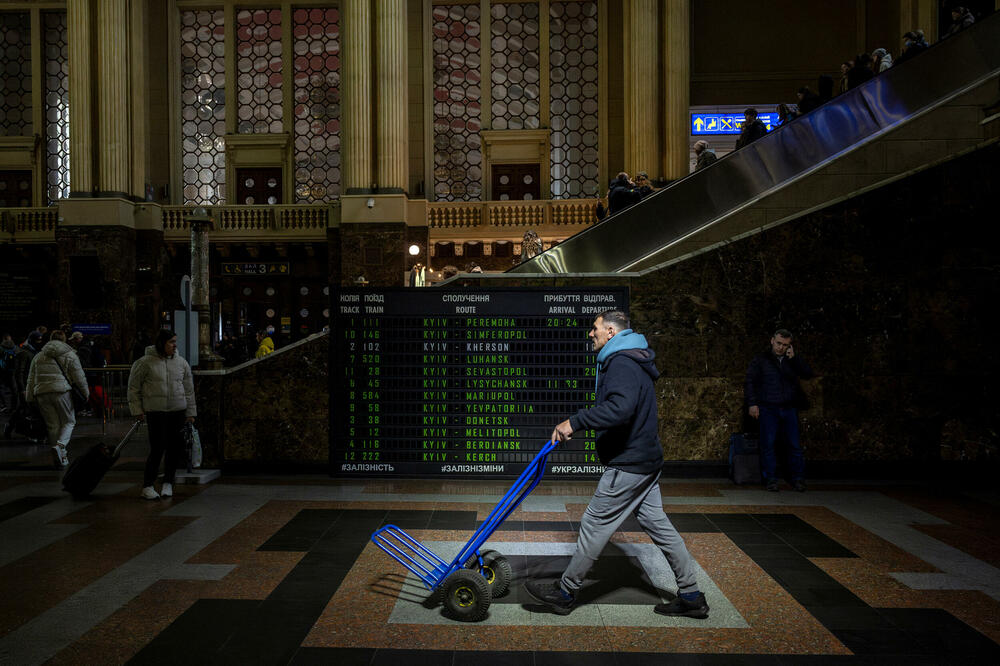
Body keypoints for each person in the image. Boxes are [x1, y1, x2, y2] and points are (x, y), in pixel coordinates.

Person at [524, 311, 709, 619]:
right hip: (646, 461)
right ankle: (691, 596)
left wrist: (576, 421)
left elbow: (620, 409)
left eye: (594, 328)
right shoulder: (633, 358)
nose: (590, 334)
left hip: (629, 464)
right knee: (660, 527)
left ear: (610, 331)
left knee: (593, 526)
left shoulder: (622, 362)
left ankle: (565, 592)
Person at [127, 329, 196, 500]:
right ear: (161, 343)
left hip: (177, 410)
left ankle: (168, 482)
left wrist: (190, 412)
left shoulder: (181, 363)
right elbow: (133, 388)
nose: (175, 345)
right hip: (156, 411)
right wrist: (137, 410)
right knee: (157, 448)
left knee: (174, 448)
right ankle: (148, 485)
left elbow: (189, 390)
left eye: (175, 341)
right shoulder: (144, 363)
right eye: (171, 342)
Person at [745, 329, 814, 492]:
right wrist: (752, 404)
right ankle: (771, 479)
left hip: (789, 407)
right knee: (768, 444)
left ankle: (798, 478)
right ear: (772, 341)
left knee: (794, 445)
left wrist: (795, 359)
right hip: (768, 407)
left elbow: (808, 374)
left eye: (785, 345)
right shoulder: (761, 360)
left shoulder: (792, 360)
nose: (781, 348)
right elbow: (750, 382)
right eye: (779, 343)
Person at [25, 330, 89, 467]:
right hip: (61, 391)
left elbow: (30, 379)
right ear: (64, 340)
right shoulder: (69, 354)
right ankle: (61, 446)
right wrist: (85, 393)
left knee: (52, 425)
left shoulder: (38, 356)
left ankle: (60, 457)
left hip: (41, 393)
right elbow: (79, 376)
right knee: (69, 421)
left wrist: (29, 397)